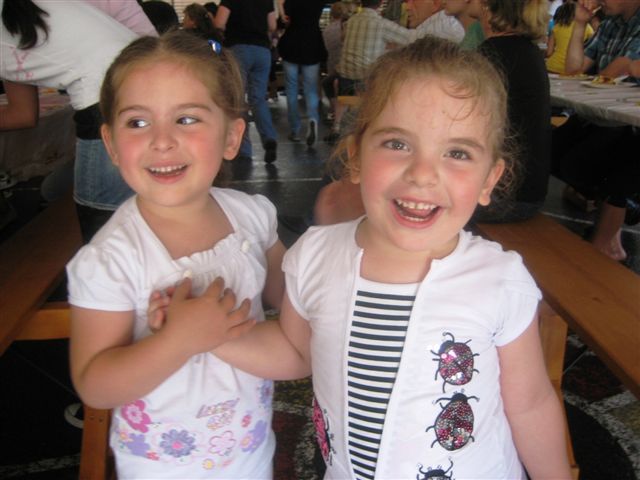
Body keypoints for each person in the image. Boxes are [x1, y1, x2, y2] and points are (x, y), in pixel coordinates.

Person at [159, 36, 572, 480]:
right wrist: (209, 337)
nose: (423, 174)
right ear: (355, 157)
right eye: (397, 144)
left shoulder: (498, 279)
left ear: (489, 179)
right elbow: (296, 351)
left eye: (457, 153)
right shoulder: (315, 255)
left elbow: (530, 403)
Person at [66, 31, 286, 478]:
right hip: (161, 469)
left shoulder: (253, 217)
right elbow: (95, 384)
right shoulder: (110, 260)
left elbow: (297, 304)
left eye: (186, 119)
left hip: (250, 453)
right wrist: (176, 341)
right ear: (111, 144)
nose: (161, 140)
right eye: (137, 122)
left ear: (232, 137)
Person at [0, 0, 140, 241]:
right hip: (141, 81)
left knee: (101, 222)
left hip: (111, 96)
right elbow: (22, 113)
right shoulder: (20, 16)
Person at [552, 0, 640, 261]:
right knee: (554, 152)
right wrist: (579, 24)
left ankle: (609, 234)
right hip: (608, 118)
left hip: (627, 125)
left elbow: (622, 66)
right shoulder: (611, 23)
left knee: (618, 158)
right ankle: (615, 224)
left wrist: (620, 67)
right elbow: (574, 70)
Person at [327, 0, 463, 142]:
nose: (407, 6)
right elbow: (408, 39)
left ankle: (337, 125)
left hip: (345, 78)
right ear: (380, 4)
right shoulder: (381, 24)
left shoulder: (351, 22)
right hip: (367, 80)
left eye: (413, 1)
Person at [473, 0, 552, 223]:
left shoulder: (492, 53)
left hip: (501, 198)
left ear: (488, 10)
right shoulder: (529, 51)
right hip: (528, 194)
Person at [214, 0, 279, 164]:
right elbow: (272, 26)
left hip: (238, 49)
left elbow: (219, 23)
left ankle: (244, 148)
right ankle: (269, 138)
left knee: (238, 99)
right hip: (262, 50)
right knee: (258, 99)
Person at [277, 0, 327, 148]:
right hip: (312, 44)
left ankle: (295, 130)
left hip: (291, 45)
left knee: (291, 89)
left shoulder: (290, 2)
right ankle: (313, 119)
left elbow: (283, 22)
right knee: (310, 88)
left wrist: (281, 7)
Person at [546, 1, 594, 74]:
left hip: (552, 67)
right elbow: (593, 48)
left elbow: (549, 52)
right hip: (574, 69)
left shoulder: (556, 27)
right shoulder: (586, 27)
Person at [321, 2, 347, 126]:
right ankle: (340, 115)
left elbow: (325, 48)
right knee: (340, 88)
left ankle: (333, 110)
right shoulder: (346, 27)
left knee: (330, 85)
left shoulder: (326, 30)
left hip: (331, 62)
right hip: (344, 64)